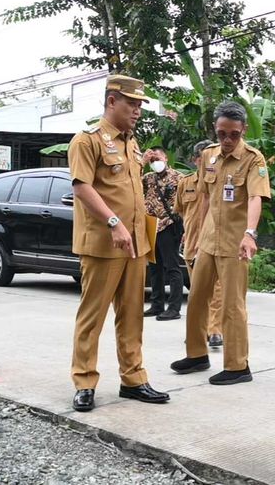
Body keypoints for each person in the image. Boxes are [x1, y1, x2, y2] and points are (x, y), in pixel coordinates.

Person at [68, 74, 170, 412]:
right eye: (132, 103)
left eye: (140, 104)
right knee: (92, 316)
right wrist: (113, 222)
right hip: (103, 243)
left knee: (132, 316)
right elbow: (82, 187)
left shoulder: (132, 143)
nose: (138, 110)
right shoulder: (87, 141)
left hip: (136, 243)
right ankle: (84, 382)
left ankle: (134, 379)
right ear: (112, 101)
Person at [170, 101, 271, 385]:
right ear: (215, 130)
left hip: (234, 245)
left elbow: (255, 198)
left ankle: (238, 366)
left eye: (234, 135)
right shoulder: (209, 156)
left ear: (244, 131)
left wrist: (250, 233)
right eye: (222, 133)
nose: (227, 140)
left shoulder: (253, 159)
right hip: (208, 242)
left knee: (231, 305)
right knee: (197, 298)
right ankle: (197, 354)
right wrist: (195, 234)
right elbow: (203, 196)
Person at [174, 140, 224, 348]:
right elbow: (180, 211)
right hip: (193, 247)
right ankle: (199, 331)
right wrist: (186, 235)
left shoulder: (220, 181)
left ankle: (215, 331)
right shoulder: (185, 183)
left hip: (217, 244)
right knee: (198, 292)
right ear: (196, 160)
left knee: (218, 290)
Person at [142, 147, 184, 321]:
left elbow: (185, 202)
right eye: (152, 161)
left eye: (157, 159)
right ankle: (157, 303)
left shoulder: (178, 177)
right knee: (154, 267)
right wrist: (143, 161)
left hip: (169, 224)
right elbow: (130, 184)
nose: (155, 163)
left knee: (172, 266)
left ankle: (174, 308)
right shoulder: (147, 178)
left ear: (166, 158)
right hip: (152, 225)